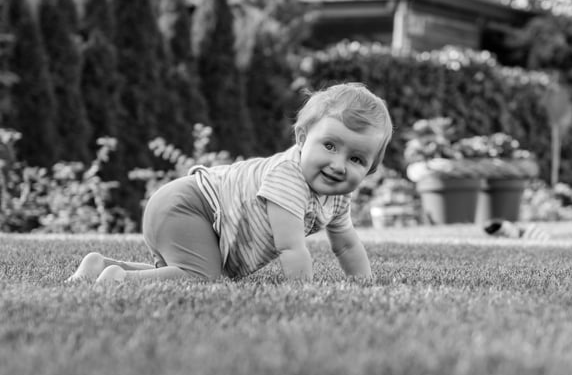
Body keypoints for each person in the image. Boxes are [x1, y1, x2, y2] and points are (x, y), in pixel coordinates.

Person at [67, 83, 394, 283]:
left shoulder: (337, 197)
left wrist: (364, 284)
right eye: (330, 146)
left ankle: (102, 267)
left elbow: (346, 245)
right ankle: (120, 281)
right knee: (201, 277)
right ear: (302, 138)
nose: (338, 165)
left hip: (192, 210)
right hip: (190, 205)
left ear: (370, 169)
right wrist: (304, 294)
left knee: (189, 271)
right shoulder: (289, 178)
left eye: (356, 159)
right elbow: (290, 247)